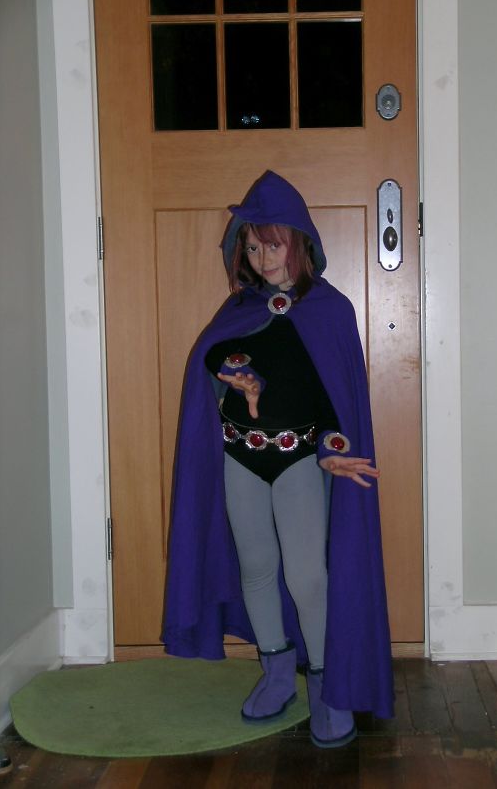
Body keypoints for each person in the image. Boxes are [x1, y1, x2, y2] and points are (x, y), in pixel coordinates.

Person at [162, 171, 394, 747]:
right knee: (256, 567)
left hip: (300, 463)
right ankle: (275, 671)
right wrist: (224, 372)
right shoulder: (238, 308)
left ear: (299, 242)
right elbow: (213, 358)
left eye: (273, 242)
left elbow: (337, 404)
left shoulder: (331, 311)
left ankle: (323, 684)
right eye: (252, 243)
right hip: (241, 459)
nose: (262, 255)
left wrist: (336, 452)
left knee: (308, 574)